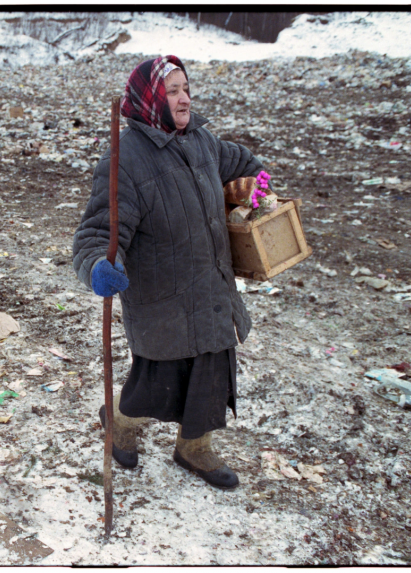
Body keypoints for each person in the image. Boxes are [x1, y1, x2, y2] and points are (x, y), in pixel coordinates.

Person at [72, 55, 266, 490]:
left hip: (212, 289)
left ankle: (193, 448)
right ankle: (119, 422)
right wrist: (100, 267)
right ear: (150, 100)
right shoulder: (125, 160)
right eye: (172, 91)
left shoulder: (201, 140)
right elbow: (96, 233)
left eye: (185, 88)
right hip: (163, 301)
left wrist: (258, 179)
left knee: (212, 378)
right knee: (157, 387)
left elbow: (242, 161)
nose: (183, 99)